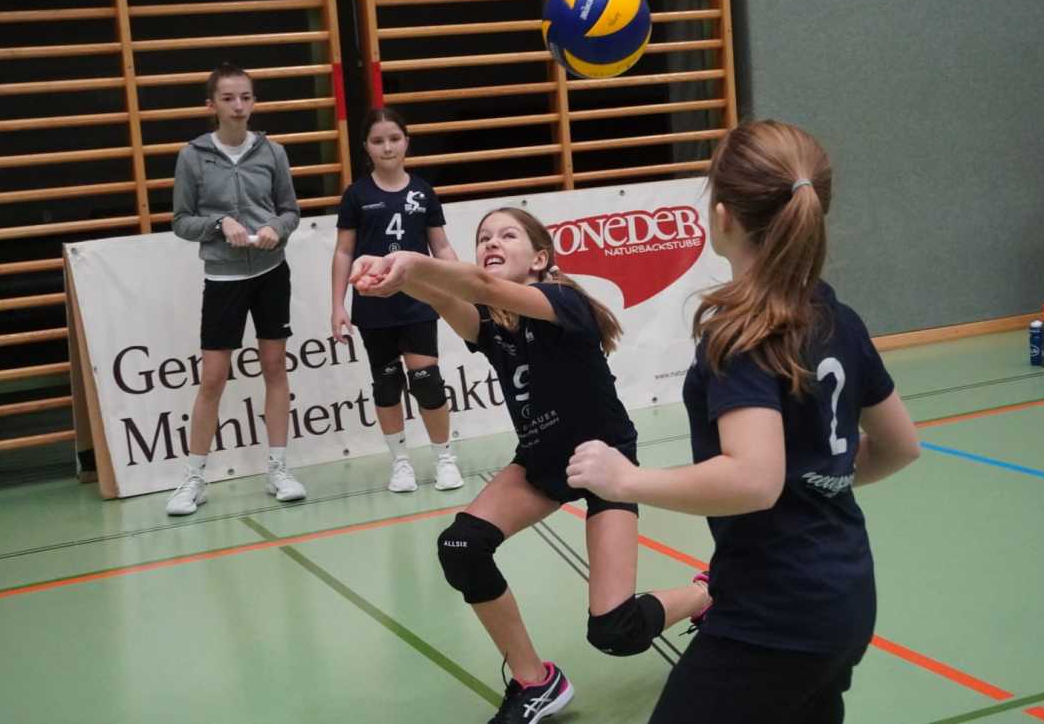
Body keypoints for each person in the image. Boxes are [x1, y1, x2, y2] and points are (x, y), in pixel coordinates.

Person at [565, 120, 923, 724]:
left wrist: (626, 481)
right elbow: (900, 446)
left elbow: (753, 480)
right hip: (844, 596)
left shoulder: (742, 334)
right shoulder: (838, 318)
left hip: (773, 615)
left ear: (723, 216)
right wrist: (818, 479)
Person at [350, 208, 711, 724]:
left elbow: (476, 285)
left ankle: (707, 593)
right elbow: (445, 296)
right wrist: (393, 275)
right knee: (461, 547)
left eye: (507, 235)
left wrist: (413, 262)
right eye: (483, 238)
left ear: (540, 258)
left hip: (604, 466)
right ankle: (535, 681)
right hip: (540, 463)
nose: (491, 243)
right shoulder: (493, 326)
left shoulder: (564, 302)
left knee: (616, 630)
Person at [166, 62, 305, 516]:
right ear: (211, 105)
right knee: (213, 377)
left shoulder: (273, 152)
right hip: (223, 278)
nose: (238, 106)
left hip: (271, 273)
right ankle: (194, 477)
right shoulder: (192, 156)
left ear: (254, 101)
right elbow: (181, 221)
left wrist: (276, 229)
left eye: (245, 97)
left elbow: (290, 211)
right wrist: (218, 223)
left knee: (274, 367)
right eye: (228, 98)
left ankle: (278, 469)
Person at [331, 107, 463, 493]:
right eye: (378, 141)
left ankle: (444, 458)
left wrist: (462, 287)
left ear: (406, 142)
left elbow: (441, 246)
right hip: (374, 305)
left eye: (394, 139)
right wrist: (338, 305)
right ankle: (400, 463)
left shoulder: (423, 191)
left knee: (427, 382)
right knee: (386, 385)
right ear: (366, 147)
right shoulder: (356, 195)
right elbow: (343, 252)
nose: (387, 147)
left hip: (418, 302)